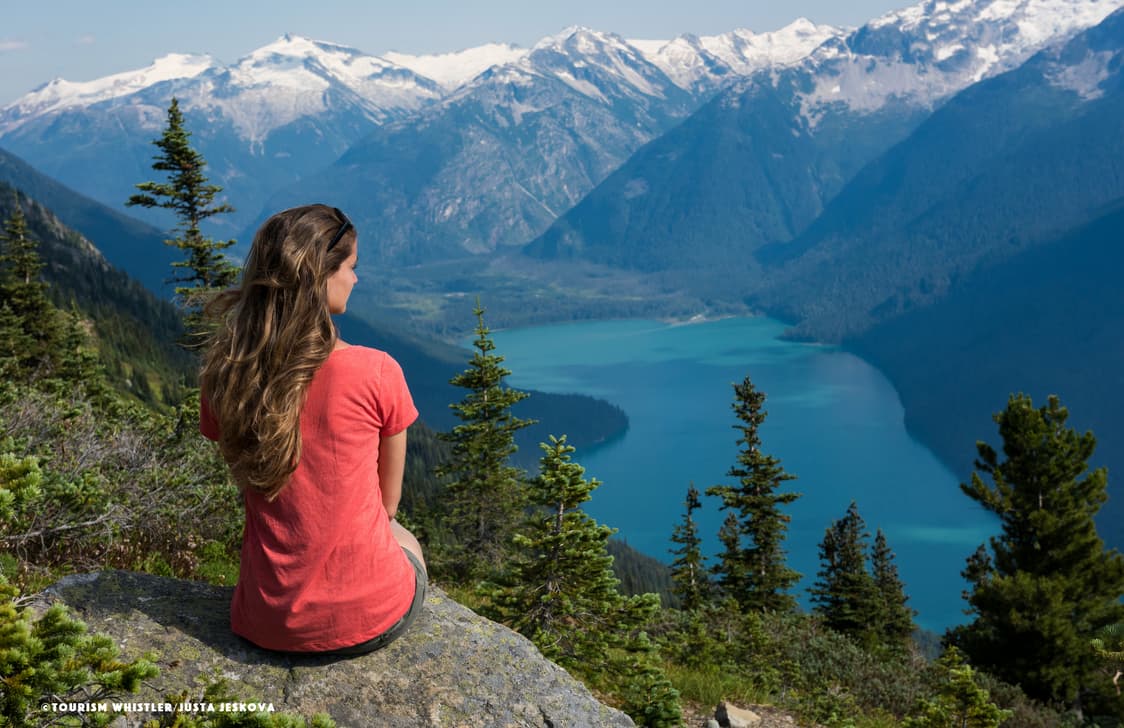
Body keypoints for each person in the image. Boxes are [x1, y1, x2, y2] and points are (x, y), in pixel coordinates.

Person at [198, 203, 426, 655]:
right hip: (370, 620)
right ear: (322, 275)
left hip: (264, 621)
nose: (355, 279)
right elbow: (387, 505)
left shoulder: (227, 374)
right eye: (350, 267)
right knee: (406, 540)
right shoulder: (377, 372)